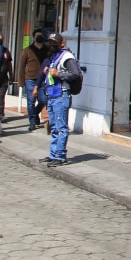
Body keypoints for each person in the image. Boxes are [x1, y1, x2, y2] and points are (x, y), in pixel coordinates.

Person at [40, 32, 81, 167]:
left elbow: (75, 74)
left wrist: (58, 74)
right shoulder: (54, 56)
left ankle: (60, 156)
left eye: (54, 43)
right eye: (50, 43)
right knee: (53, 126)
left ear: (61, 44)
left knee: (61, 127)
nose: (51, 45)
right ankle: (53, 154)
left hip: (61, 95)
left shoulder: (67, 57)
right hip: (52, 95)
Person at [19, 29, 48, 131]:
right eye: (37, 36)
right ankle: (32, 122)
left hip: (43, 79)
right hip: (30, 78)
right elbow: (22, 66)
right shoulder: (27, 50)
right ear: (34, 37)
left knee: (44, 99)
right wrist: (21, 81)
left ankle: (35, 112)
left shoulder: (46, 50)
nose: (39, 37)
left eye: (41, 35)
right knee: (31, 101)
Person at [0, 31, 12, 134]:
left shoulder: (5, 51)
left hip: (3, 78)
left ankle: (0, 113)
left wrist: (11, 75)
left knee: (1, 96)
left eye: (1, 39)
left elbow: (9, 64)